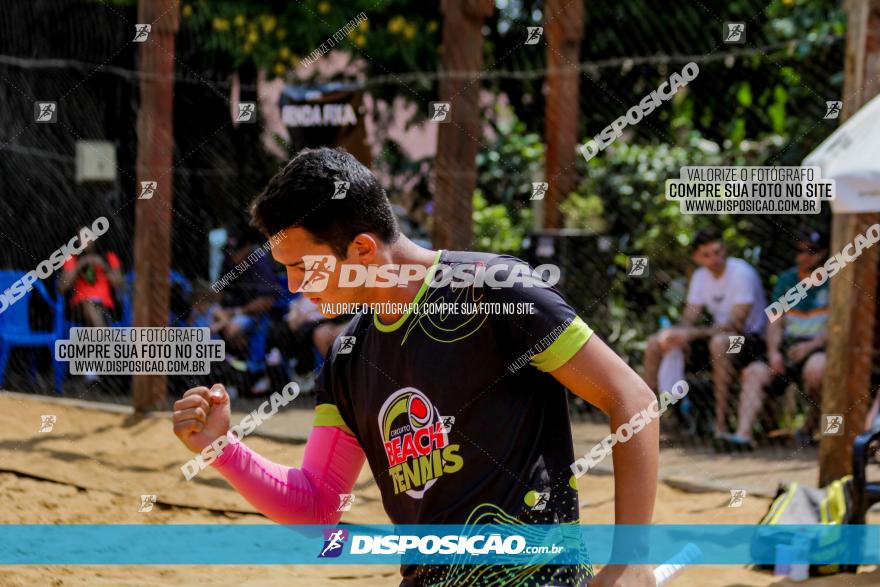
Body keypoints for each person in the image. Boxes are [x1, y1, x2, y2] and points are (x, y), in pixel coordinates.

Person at [172, 147, 659, 587]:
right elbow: (318, 503)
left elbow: (630, 397)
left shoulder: (494, 291)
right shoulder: (346, 357)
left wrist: (630, 564)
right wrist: (222, 448)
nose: (294, 286)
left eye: (303, 266)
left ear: (363, 250)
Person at [643, 228, 767, 438]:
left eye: (718, 252)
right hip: (714, 337)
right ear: (697, 257)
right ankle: (649, 419)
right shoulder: (700, 277)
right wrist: (673, 334)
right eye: (707, 255)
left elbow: (736, 325)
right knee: (656, 342)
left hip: (751, 341)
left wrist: (690, 334)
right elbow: (688, 319)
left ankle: (721, 426)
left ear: (725, 250)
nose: (714, 259)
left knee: (719, 343)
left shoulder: (741, 273)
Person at [730, 227, 830, 448]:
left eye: (810, 251)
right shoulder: (787, 280)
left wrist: (813, 345)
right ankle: (743, 435)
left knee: (817, 370)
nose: (802, 256)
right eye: (799, 251)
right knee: (753, 373)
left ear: (823, 254)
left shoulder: (835, 281)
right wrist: (774, 352)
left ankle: (809, 428)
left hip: (820, 347)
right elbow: (775, 321)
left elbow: (839, 327)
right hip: (788, 346)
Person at [58, 225, 124, 328]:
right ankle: (106, 340)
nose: (85, 241)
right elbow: (62, 288)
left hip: (106, 306)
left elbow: (119, 285)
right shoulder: (72, 259)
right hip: (79, 308)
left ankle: (99, 340)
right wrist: (79, 265)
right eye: (81, 238)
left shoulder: (109, 257)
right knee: (89, 306)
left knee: (94, 311)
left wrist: (104, 266)